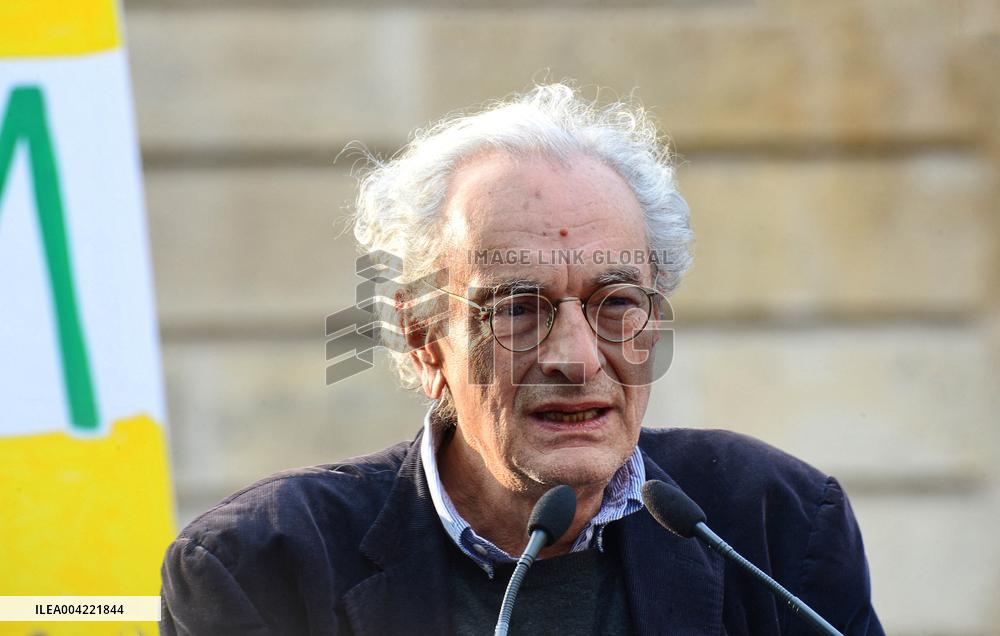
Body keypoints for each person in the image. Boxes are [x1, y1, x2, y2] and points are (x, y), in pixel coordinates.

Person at [160, 83, 884, 635]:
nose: (575, 357)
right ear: (422, 338)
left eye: (617, 301)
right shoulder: (262, 567)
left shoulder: (775, 525)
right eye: (516, 309)